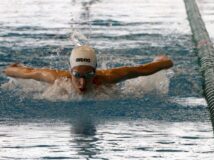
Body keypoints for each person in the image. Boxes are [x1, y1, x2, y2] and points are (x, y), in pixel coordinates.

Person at [3, 45, 173, 95]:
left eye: (89, 75)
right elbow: (27, 72)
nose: (83, 82)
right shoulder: (58, 78)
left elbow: (141, 70)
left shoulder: (106, 78)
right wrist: (12, 68)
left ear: (95, 71)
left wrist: (163, 62)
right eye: (77, 75)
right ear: (70, 72)